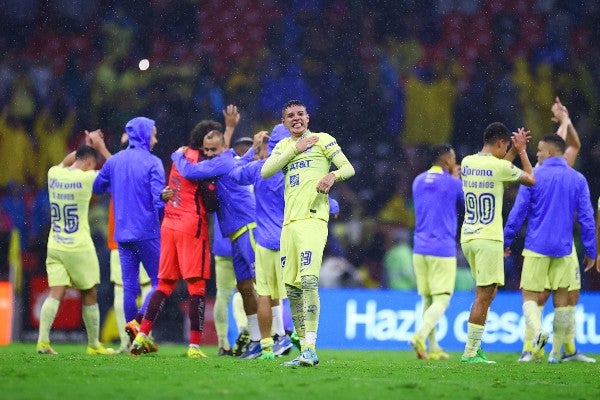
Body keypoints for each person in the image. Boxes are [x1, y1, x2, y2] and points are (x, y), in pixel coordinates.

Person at [261, 99, 355, 367]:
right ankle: (304, 349)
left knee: (309, 281)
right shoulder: (283, 146)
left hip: (313, 221)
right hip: (288, 225)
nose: (296, 118)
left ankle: (311, 346)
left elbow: (349, 168)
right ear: (284, 122)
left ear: (308, 117)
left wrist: (332, 177)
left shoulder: (323, 140)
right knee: (291, 288)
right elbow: (267, 171)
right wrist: (295, 149)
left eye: (300, 114)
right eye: (290, 115)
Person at [513, 97, 597, 363]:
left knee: (570, 294)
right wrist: (564, 120)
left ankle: (563, 350)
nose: (537, 153)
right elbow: (567, 144)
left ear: (545, 151)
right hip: (561, 244)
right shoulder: (542, 171)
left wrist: (566, 121)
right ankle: (535, 348)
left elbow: (571, 143)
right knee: (543, 295)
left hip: (548, 243)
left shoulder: (540, 171)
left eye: (539, 149)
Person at [171, 128, 261, 359]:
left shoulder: (220, 162)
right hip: (235, 232)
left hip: (247, 226)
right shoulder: (229, 158)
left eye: (213, 149)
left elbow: (189, 171)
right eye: (206, 150)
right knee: (244, 288)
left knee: (257, 287)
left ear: (222, 146)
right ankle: (256, 341)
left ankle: (271, 338)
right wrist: (253, 148)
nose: (209, 153)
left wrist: (177, 155)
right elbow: (243, 158)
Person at [130, 121, 217, 358]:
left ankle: (141, 335)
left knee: (165, 284)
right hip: (192, 226)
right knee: (197, 288)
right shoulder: (202, 162)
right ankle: (194, 347)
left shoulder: (180, 156)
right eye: (211, 147)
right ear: (204, 143)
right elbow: (210, 202)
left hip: (169, 224)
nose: (213, 152)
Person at [459, 122, 535, 364]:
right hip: (488, 238)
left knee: (487, 293)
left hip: (468, 237)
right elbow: (531, 179)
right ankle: (470, 353)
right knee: (483, 295)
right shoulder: (499, 166)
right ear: (501, 142)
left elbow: (499, 168)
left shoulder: (468, 162)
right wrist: (522, 151)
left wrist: (511, 149)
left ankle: (475, 347)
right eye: (506, 147)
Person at [92, 117, 170, 351]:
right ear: (145, 135)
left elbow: (97, 186)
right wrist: (161, 220)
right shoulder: (153, 162)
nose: (155, 138)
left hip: (122, 233)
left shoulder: (115, 161)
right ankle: (138, 325)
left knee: (129, 288)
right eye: (153, 134)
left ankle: (132, 341)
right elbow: (159, 201)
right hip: (147, 232)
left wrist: (116, 186)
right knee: (161, 282)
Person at [36, 130, 114, 355]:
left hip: (56, 244)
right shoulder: (87, 178)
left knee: (56, 292)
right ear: (90, 164)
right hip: (79, 246)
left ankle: (43, 342)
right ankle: (93, 345)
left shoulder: (54, 174)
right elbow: (117, 169)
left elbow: (67, 161)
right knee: (90, 293)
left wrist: (84, 146)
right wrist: (99, 147)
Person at [229, 124, 295, 360]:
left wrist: (252, 150)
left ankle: (267, 344)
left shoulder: (259, 168)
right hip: (288, 240)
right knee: (295, 293)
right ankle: (294, 341)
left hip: (264, 241)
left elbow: (234, 173)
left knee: (265, 294)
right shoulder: (294, 171)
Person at [409, 143, 464, 360]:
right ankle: (419, 336)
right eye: (454, 158)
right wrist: (456, 180)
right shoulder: (452, 184)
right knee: (442, 299)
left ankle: (433, 347)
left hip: (419, 248)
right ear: (447, 161)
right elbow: (463, 204)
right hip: (442, 248)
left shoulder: (418, 180)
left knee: (428, 300)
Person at [107, 133, 151, 354]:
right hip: (141, 237)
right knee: (146, 287)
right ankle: (142, 337)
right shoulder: (144, 168)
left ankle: (131, 340)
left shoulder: (116, 169)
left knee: (123, 290)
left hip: (122, 238)